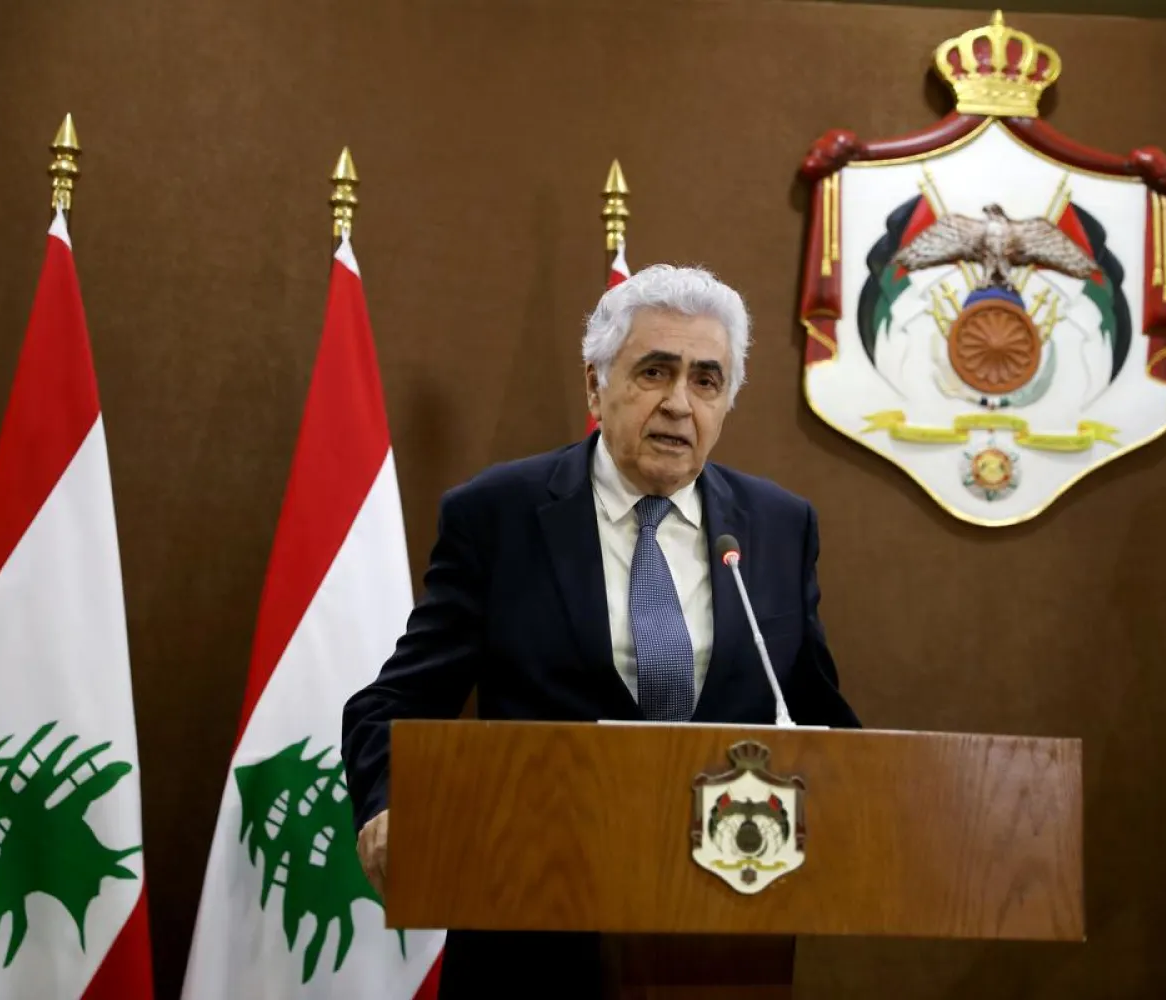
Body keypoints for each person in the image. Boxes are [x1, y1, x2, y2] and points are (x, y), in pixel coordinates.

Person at [341, 264, 862, 995]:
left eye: (706, 381)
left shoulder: (777, 526)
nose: (680, 404)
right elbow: (389, 705)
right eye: (655, 372)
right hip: (531, 924)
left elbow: (817, 717)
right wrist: (390, 803)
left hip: (722, 934)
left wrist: (875, 811)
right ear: (596, 385)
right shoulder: (500, 515)